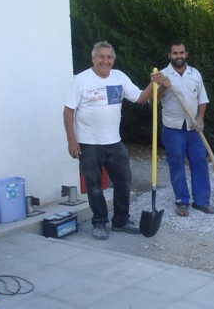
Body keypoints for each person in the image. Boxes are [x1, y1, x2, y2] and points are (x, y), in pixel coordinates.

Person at [63, 41, 156, 240]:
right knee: (94, 186)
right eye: (101, 57)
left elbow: (140, 98)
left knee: (124, 181)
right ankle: (99, 223)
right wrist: (72, 141)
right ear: (93, 58)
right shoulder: (81, 80)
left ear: (113, 60)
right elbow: (68, 111)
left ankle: (121, 221)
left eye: (109, 57)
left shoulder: (119, 77)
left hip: (114, 142)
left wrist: (153, 83)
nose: (105, 61)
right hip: (88, 144)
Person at [153, 41, 214, 216]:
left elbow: (202, 99)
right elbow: (153, 103)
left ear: (186, 54)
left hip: (194, 128)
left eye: (181, 53)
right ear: (169, 55)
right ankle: (182, 202)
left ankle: (202, 201)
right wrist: (164, 87)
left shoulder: (195, 74)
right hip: (173, 129)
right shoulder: (161, 76)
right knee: (177, 165)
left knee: (200, 163)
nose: (178, 56)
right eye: (175, 53)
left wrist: (200, 118)